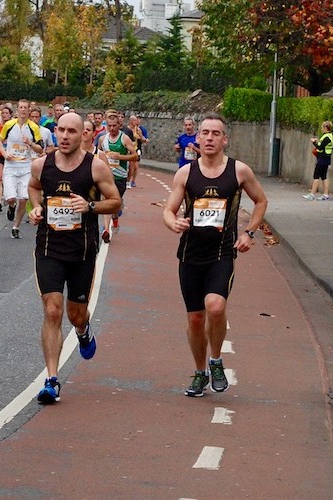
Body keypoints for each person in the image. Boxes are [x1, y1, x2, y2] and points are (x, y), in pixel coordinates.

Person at [163, 112, 267, 398]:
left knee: (216, 306)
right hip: (189, 254)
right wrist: (174, 223)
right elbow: (169, 210)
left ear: (225, 139)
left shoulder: (239, 171)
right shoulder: (186, 173)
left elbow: (260, 201)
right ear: (197, 138)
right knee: (196, 318)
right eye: (205, 133)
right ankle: (200, 372)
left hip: (222, 253)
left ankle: (216, 360)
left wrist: (249, 233)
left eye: (215, 133)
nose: (209, 138)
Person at [28, 112, 121, 404]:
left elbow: (115, 202)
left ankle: (82, 330)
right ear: (55, 132)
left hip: (81, 251)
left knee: (75, 314)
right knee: (52, 311)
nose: (65, 136)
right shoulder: (41, 164)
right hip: (49, 248)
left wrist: (90, 205)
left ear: (83, 134)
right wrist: (36, 208)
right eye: (61, 130)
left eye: (72, 131)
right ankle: (52, 380)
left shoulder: (95, 167)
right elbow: (33, 187)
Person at [0, 99, 44, 239]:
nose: (23, 110)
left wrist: (30, 143)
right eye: (21, 107)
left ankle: (16, 226)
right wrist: (5, 154)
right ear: (17, 110)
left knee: (23, 199)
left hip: (25, 166)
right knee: (11, 198)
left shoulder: (33, 127)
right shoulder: (9, 125)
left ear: (29, 110)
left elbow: (41, 149)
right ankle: (11, 206)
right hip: (11, 166)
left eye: (26, 108)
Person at [98, 112, 138, 242]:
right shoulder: (102, 139)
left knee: (114, 204)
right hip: (106, 176)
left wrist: (120, 157)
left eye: (114, 125)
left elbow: (135, 156)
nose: (112, 128)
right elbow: (97, 155)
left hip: (120, 176)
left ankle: (115, 218)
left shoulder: (124, 138)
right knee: (105, 201)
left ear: (119, 125)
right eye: (109, 126)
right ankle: (106, 229)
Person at [303, 121, 333, 201]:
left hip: (322, 159)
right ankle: (326, 194)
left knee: (316, 175)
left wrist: (314, 142)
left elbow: (320, 147)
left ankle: (312, 194)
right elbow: (322, 145)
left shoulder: (326, 137)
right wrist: (317, 141)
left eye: (322, 127)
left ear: (326, 128)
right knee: (324, 176)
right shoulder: (329, 136)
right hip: (326, 159)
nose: (321, 129)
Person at [0, 104, 14, 212]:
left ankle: (8, 198)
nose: (4, 115)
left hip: (10, 156)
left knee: (8, 179)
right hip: (0, 154)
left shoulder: (14, 127)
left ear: (10, 115)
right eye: (3, 113)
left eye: (6, 113)